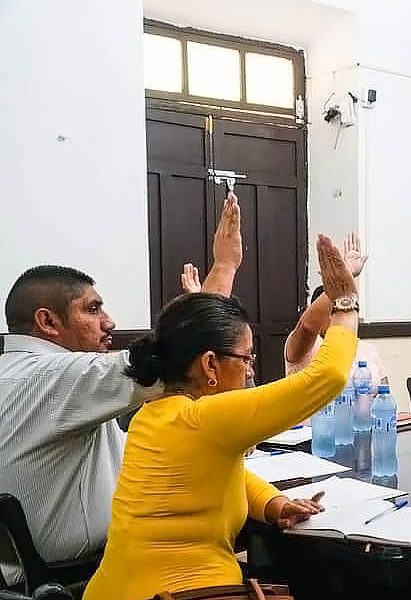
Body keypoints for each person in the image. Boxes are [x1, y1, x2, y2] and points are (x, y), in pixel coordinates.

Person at [79, 235, 358, 600]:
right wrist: (346, 303)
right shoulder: (204, 418)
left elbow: (227, 471)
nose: (249, 371)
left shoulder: (156, 415)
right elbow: (327, 377)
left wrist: (273, 504)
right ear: (210, 364)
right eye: (245, 359)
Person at [0, 195, 241, 580]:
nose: (109, 321)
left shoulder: (15, 373)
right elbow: (173, 356)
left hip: (22, 592)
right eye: (92, 309)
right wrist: (225, 267)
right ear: (47, 321)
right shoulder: (56, 376)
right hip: (77, 580)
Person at [284, 233, 386, 384]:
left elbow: (385, 395)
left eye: (347, 308)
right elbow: (307, 327)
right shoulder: (307, 348)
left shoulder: (367, 350)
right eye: (335, 310)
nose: (340, 316)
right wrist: (344, 278)